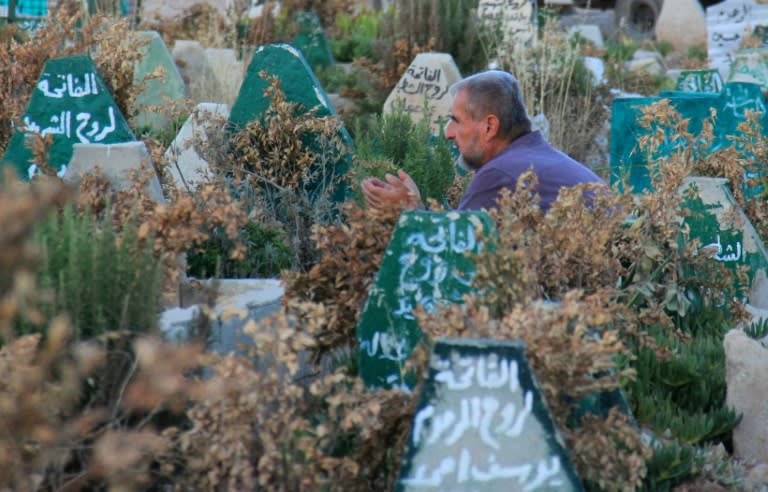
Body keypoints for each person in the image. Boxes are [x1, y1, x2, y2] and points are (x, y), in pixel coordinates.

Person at [361, 70, 605, 213]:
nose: (448, 133)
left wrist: (409, 213)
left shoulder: (501, 174)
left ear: (489, 126)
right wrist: (417, 207)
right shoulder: (534, 158)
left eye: (456, 121)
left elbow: (455, 257)